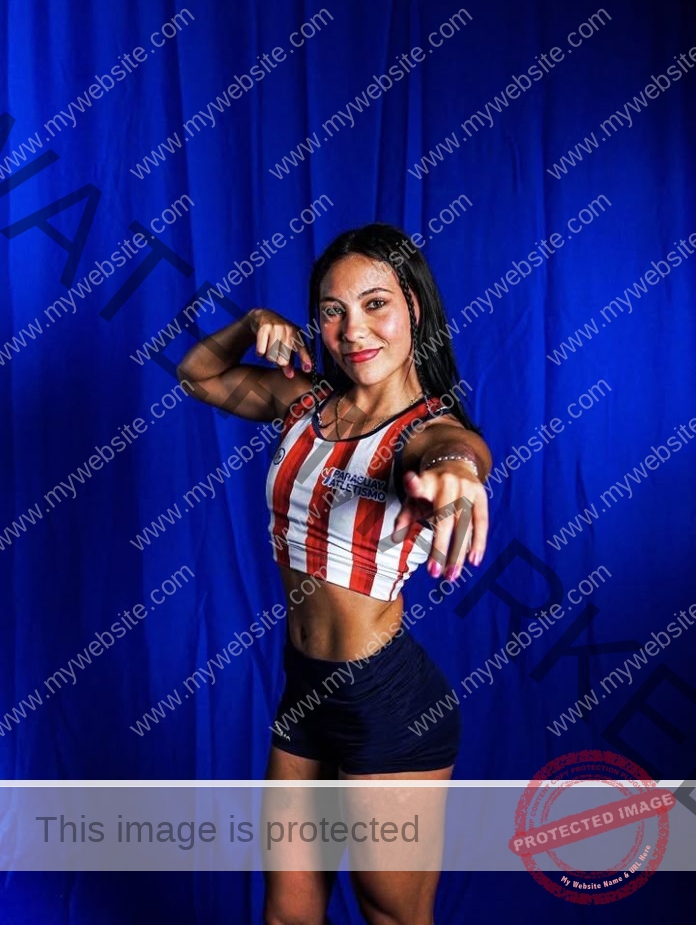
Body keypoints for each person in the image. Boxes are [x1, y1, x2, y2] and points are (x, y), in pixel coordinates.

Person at [177, 223, 491, 924]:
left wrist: (460, 476)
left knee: (391, 915)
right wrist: (252, 323)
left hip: (386, 700)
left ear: (414, 306)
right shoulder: (305, 405)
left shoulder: (424, 430)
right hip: (305, 686)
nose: (353, 330)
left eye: (376, 304)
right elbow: (197, 374)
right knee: (288, 912)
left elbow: (455, 451)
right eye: (332, 310)